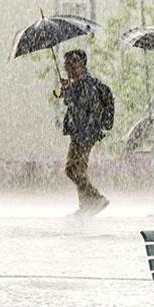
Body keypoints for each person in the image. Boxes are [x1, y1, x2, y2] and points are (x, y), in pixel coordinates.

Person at [60, 50, 110, 217]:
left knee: (73, 169)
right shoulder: (79, 83)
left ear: (80, 65)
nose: (68, 69)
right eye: (66, 65)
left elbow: (83, 106)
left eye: (71, 65)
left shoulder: (86, 83)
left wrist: (69, 91)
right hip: (79, 132)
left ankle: (96, 198)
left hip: (86, 133)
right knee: (76, 169)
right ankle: (86, 206)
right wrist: (68, 90)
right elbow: (72, 103)